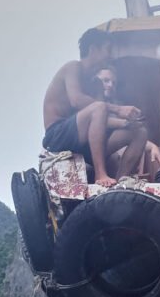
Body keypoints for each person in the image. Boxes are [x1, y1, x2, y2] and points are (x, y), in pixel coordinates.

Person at [41, 29, 145, 187]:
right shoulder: (73, 68)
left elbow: (101, 120)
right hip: (58, 136)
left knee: (139, 132)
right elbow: (76, 100)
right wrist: (119, 109)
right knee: (99, 107)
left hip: (85, 141)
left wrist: (127, 123)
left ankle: (121, 182)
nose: (111, 56)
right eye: (107, 50)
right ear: (93, 49)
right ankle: (100, 174)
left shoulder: (96, 83)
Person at [92, 64, 160, 181]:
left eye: (114, 83)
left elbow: (125, 135)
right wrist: (126, 123)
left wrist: (152, 146)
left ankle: (120, 183)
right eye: (106, 81)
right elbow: (102, 122)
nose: (110, 85)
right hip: (87, 148)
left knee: (140, 133)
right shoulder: (88, 101)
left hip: (107, 149)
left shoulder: (114, 105)